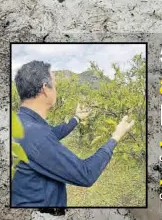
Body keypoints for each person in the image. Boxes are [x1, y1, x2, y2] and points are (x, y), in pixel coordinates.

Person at [11, 60, 134, 208]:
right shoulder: (36, 134)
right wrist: (116, 136)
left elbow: (51, 134)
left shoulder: (21, 123)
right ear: (45, 88)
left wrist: (76, 118)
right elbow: (86, 174)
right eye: (54, 85)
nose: (56, 89)